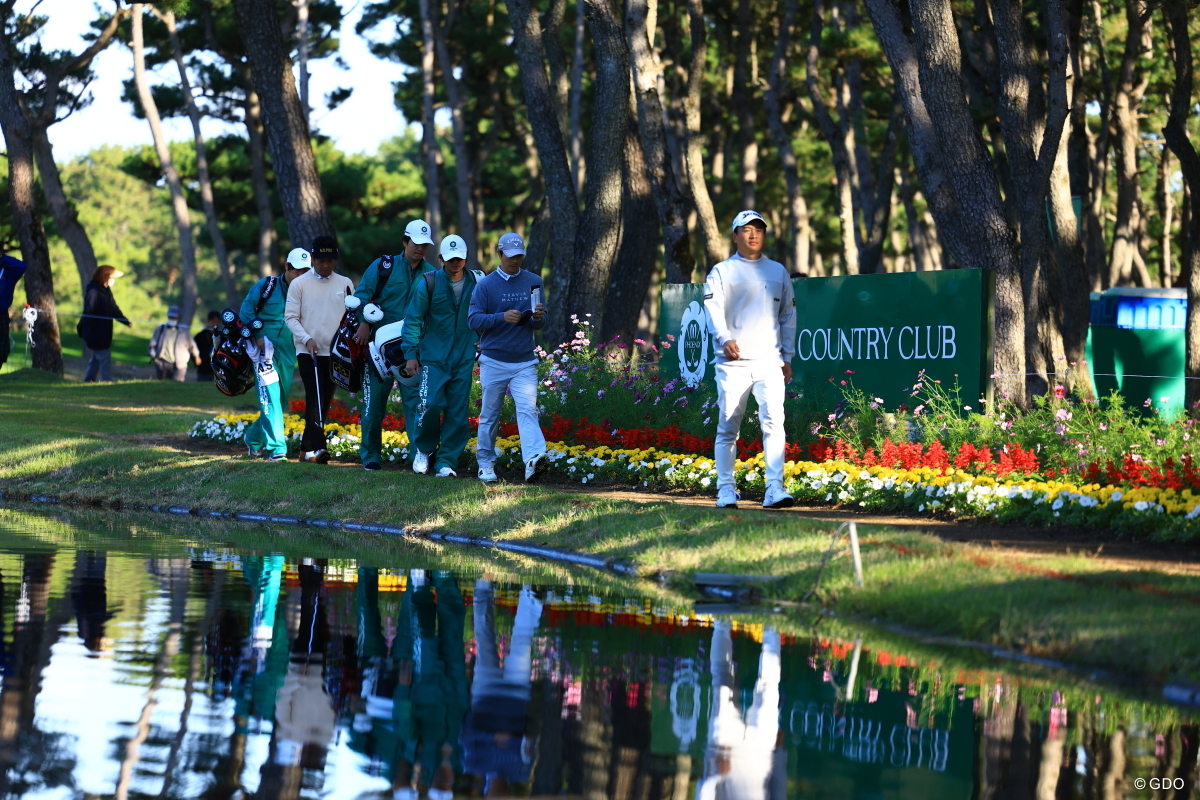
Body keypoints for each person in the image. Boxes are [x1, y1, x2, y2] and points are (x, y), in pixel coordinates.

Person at [703, 210, 797, 510]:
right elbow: (713, 310)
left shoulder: (779, 271)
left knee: (774, 423)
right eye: (745, 230)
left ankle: (774, 489)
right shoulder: (721, 272)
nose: (753, 234)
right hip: (733, 363)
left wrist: (787, 356)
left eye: (758, 229)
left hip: (770, 361)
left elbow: (788, 316)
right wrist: (724, 338)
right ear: (735, 236)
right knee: (729, 427)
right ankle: (727, 490)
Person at [351, 219, 437, 471]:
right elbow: (361, 297)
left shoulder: (432, 274)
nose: (420, 249)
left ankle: (418, 457)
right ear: (404, 241)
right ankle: (370, 456)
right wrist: (364, 322)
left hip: (413, 350)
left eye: (425, 245)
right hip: (377, 350)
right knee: (373, 404)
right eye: (416, 243)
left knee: (416, 404)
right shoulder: (383, 266)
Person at [468, 232, 548, 484]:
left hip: (525, 359)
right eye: (511, 256)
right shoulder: (486, 284)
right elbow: (473, 319)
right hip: (493, 359)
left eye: (520, 256)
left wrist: (537, 317)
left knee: (528, 410)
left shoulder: (534, 280)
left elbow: (540, 324)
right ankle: (485, 463)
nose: (516, 261)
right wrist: (501, 317)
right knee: (490, 414)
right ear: (500, 254)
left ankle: (534, 460)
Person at [402, 234, 481, 478]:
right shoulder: (428, 282)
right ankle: (424, 450)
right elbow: (413, 319)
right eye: (450, 259)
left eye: (459, 258)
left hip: (464, 356)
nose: (455, 263)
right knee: (429, 404)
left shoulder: (478, 281)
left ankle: (446, 461)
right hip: (433, 357)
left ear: (466, 258)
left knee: (457, 411)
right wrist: (410, 354)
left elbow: (486, 312)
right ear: (440, 259)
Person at [285, 236, 355, 464]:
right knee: (314, 398)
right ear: (312, 258)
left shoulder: (345, 283)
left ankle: (305, 450)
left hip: (335, 354)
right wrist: (307, 338)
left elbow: (350, 317)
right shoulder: (299, 284)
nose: (326, 265)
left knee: (324, 400)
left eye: (330, 260)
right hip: (309, 352)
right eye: (321, 260)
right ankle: (319, 449)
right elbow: (291, 318)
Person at [242, 248, 310, 461]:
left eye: (306, 272)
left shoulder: (308, 292)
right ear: (287, 267)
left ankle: (253, 439)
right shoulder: (266, 285)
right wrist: (259, 335)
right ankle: (277, 449)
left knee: (280, 400)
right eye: (298, 271)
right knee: (270, 397)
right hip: (263, 352)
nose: (302, 276)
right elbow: (246, 310)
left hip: (290, 352)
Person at [80, 265, 131, 383]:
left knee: (96, 358)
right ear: (104, 277)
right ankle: (107, 381)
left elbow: (113, 308)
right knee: (104, 357)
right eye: (111, 277)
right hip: (95, 332)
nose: (113, 281)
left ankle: (88, 380)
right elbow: (89, 311)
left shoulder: (106, 291)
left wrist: (125, 321)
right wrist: (93, 329)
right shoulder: (93, 292)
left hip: (103, 332)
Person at [148, 305, 201, 381]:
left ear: (179, 318)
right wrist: (155, 357)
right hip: (162, 363)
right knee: (161, 385)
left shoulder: (184, 331)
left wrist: (196, 356)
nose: (172, 319)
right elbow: (152, 345)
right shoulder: (160, 329)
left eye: (174, 317)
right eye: (171, 317)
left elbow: (192, 345)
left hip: (180, 365)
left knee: (177, 386)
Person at [194, 310, 222, 382]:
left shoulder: (223, 336)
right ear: (208, 321)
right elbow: (194, 351)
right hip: (204, 370)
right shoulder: (200, 336)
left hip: (219, 370)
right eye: (213, 321)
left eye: (217, 322)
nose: (215, 324)